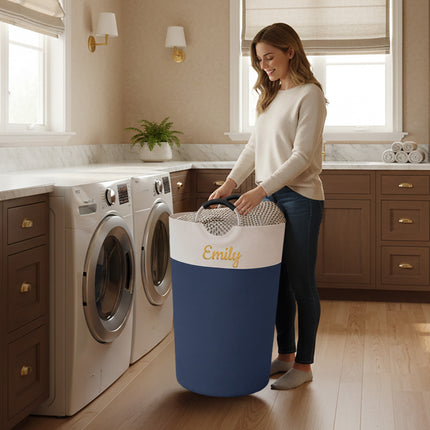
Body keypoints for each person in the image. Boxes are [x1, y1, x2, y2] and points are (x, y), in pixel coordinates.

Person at [209, 23, 326, 390]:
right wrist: (231, 182)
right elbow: (252, 148)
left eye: (270, 57)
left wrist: (259, 191)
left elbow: (302, 157)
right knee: (278, 283)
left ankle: (304, 367)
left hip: (301, 197)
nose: (265, 66)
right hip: (271, 195)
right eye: (259, 60)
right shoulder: (272, 97)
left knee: (302, 284)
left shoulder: (310, 95)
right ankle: (286, 355)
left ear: (291, 50)